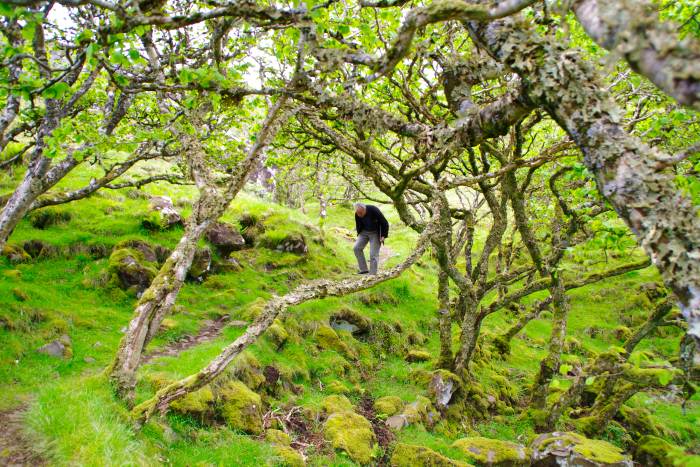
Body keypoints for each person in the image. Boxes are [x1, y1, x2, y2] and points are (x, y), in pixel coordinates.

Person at [353, 202, 389, 275]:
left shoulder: (373, 210)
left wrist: (383, 235)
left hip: (375, 233)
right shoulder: (357, 214)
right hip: (364, 232)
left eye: (360, 213)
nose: (359, 215)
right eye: (357, 213)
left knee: (373, 254)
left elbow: (384, 223)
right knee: (356, 248)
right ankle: (364, 269)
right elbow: (358, 224)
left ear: (364, 209)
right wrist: (359, 233)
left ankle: (372, 274)